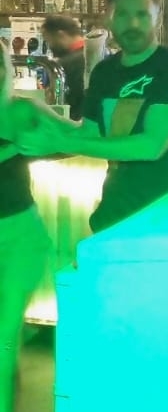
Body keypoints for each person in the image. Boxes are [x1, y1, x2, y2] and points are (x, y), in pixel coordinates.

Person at [19, 0, 168, 232]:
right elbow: (90, 134)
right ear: (108, 19)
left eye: (142, 15)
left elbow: (151, 145)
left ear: (157, 19)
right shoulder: (104, 72)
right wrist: (38, 113)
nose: (133, 24)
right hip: (116, 215)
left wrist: (59, 142)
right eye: (123, 14)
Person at [0, 47, 50, 412]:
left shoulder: (21, 110)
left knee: (3, 338)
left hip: (21, 236)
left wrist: (34, 143)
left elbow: (74, 136)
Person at [41, 15, 86, 119]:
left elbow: (57, 104)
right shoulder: (98, 53)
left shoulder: (63, 65)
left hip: (72, 124)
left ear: (61, 35)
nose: (50, 47)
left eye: (49, 41)